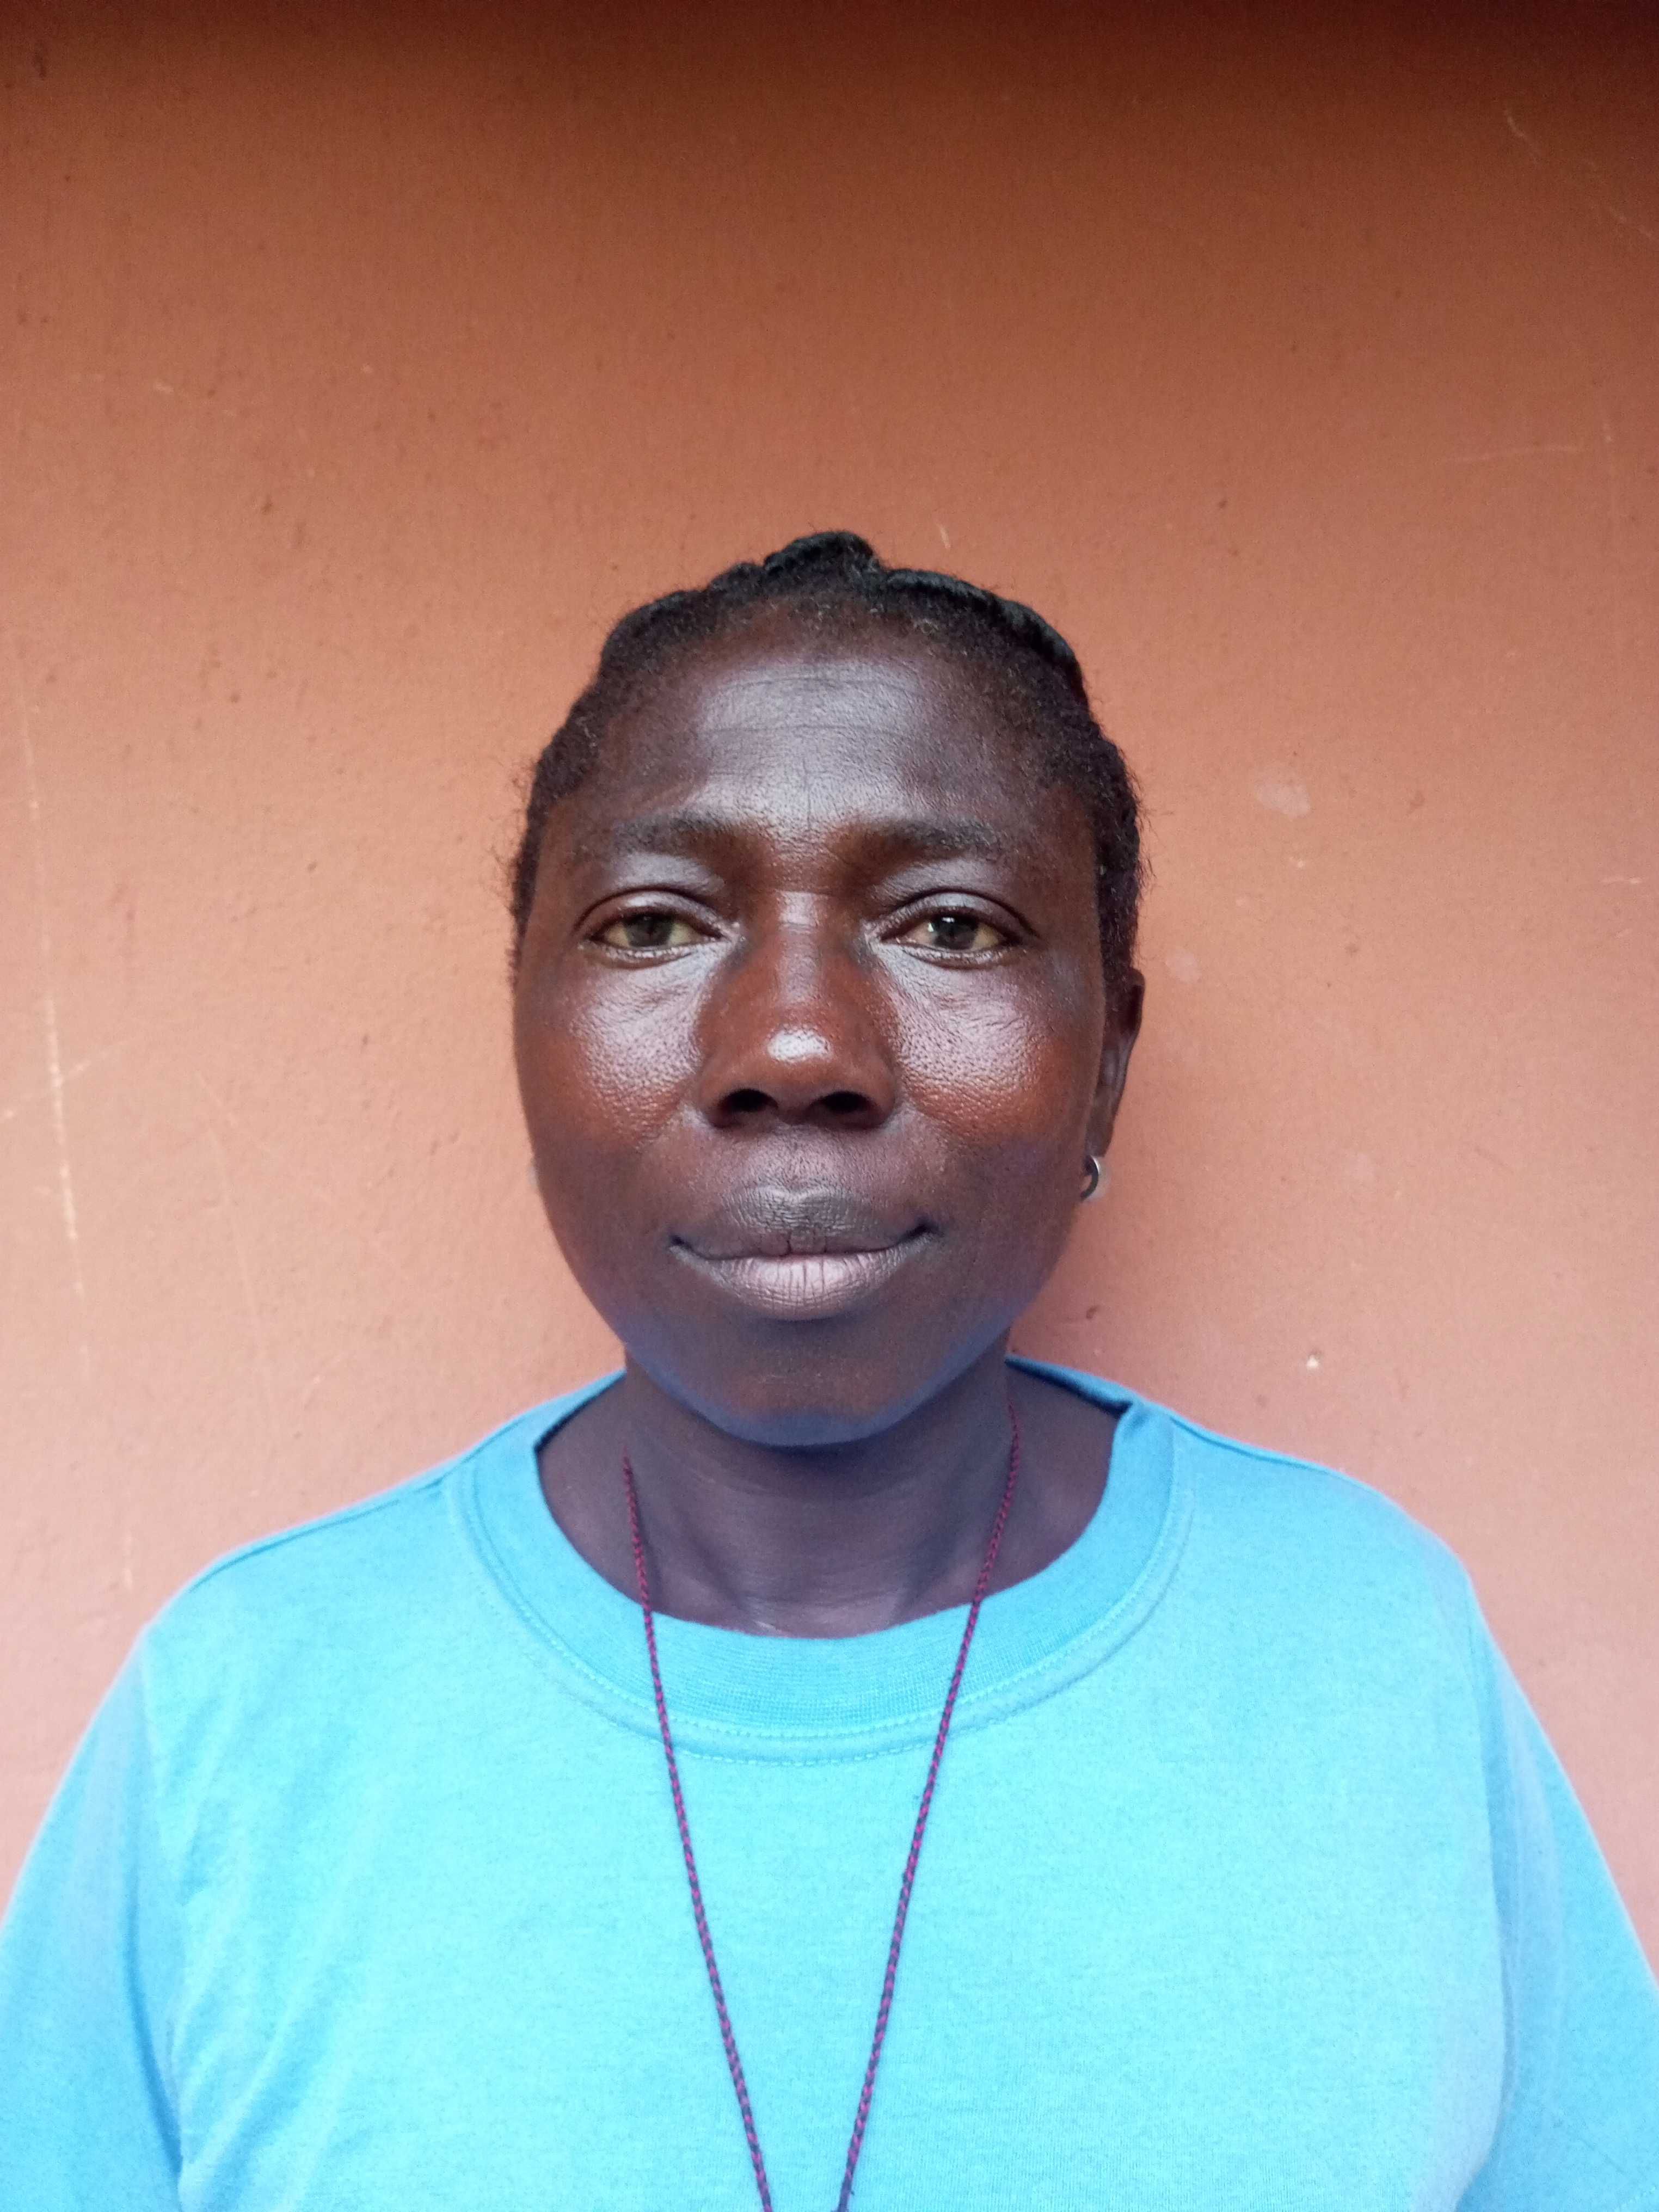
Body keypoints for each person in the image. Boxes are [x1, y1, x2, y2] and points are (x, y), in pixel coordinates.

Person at [1, 532, 1655, 2209]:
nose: (794, 1047)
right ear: (525, 1029)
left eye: (951, 924)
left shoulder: (1366, 1653)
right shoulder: (246, 1714)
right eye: (655, 924)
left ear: (1108, 1062)